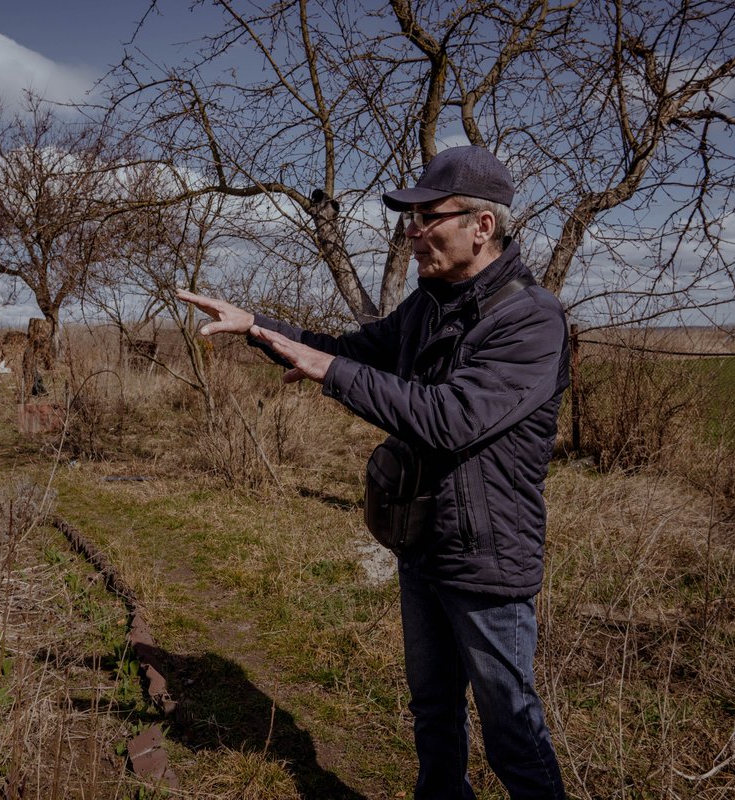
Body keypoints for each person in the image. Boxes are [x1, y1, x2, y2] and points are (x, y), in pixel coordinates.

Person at [177, 145, 568, 799]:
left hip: (489, 560)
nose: (411, 232)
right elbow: (345, 352)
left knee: (512, 734)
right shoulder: (429, 305)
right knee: (433, 713)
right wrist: (257, 329)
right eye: (409, 219)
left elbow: (450, 418)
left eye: (427, 217)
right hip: (422, 542)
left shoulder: (530, 318)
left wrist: (331, 372)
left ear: (482, 225)